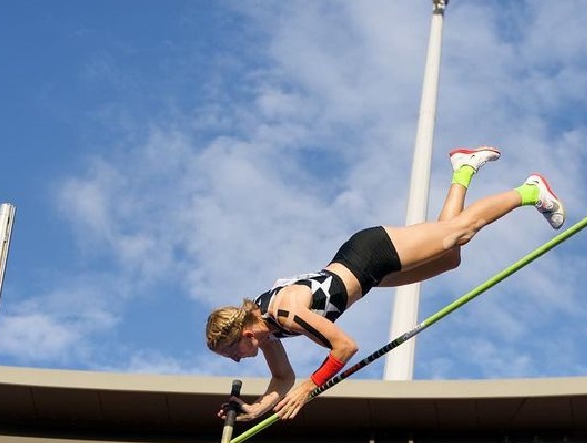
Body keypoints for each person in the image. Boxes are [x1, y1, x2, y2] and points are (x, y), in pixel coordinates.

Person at [205, 146, 565, 421]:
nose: (237, 360)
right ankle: (464, 168)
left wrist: (311, 388)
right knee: (450, 254)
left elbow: (345, 346)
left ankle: (530, 191)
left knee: (458, 232)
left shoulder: (284, 313)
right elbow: (283, 379)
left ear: (243, 334)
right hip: (369, 275)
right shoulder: (267, 330)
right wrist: (254, 410)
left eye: (232, 352)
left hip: (370, 254)